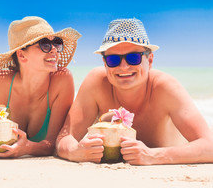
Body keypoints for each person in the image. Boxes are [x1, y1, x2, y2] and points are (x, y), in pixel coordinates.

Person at [56, 18, 213, 165]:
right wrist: (75, 151)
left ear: (149, 60)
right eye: (113, 60)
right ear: (105, 63)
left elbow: (209, 145)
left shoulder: (165, 87)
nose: (123, 67)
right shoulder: (96, 82)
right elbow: (64, 138)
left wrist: (152, 155)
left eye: (133, 58)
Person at [0, 16, 81, 158]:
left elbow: (55, 143)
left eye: (57, 43)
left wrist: (27, 148)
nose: (54, 50)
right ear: (22, 55)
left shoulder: (62, 80)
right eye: (44, 44)